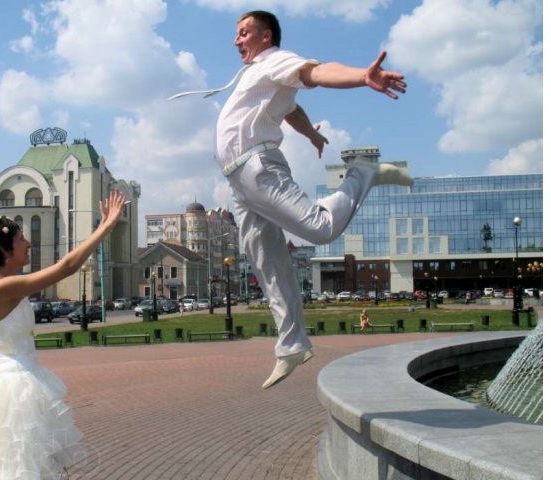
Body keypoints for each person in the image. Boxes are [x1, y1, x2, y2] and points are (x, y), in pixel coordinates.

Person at [172, 10, 412, 388]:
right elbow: (293, 109)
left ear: (266, 36)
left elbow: (315, 72)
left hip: (258, 168)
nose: (236, 40)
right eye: (235, 34)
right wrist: (312, 137)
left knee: (320, 228)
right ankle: (292, 344)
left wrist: (361, 78)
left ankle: (362, 173)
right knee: (267, 263)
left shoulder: (276, 61)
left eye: (244, 32)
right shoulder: (257, 74)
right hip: (239, 181)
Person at [0, 190, 125, 479]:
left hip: (28, 381)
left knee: (38, 465)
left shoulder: (8, 284)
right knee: (23, 465)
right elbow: (67, 267)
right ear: (4, 251)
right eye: (21, 239)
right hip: (17, 389)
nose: (29, 244)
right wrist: (105, 227)